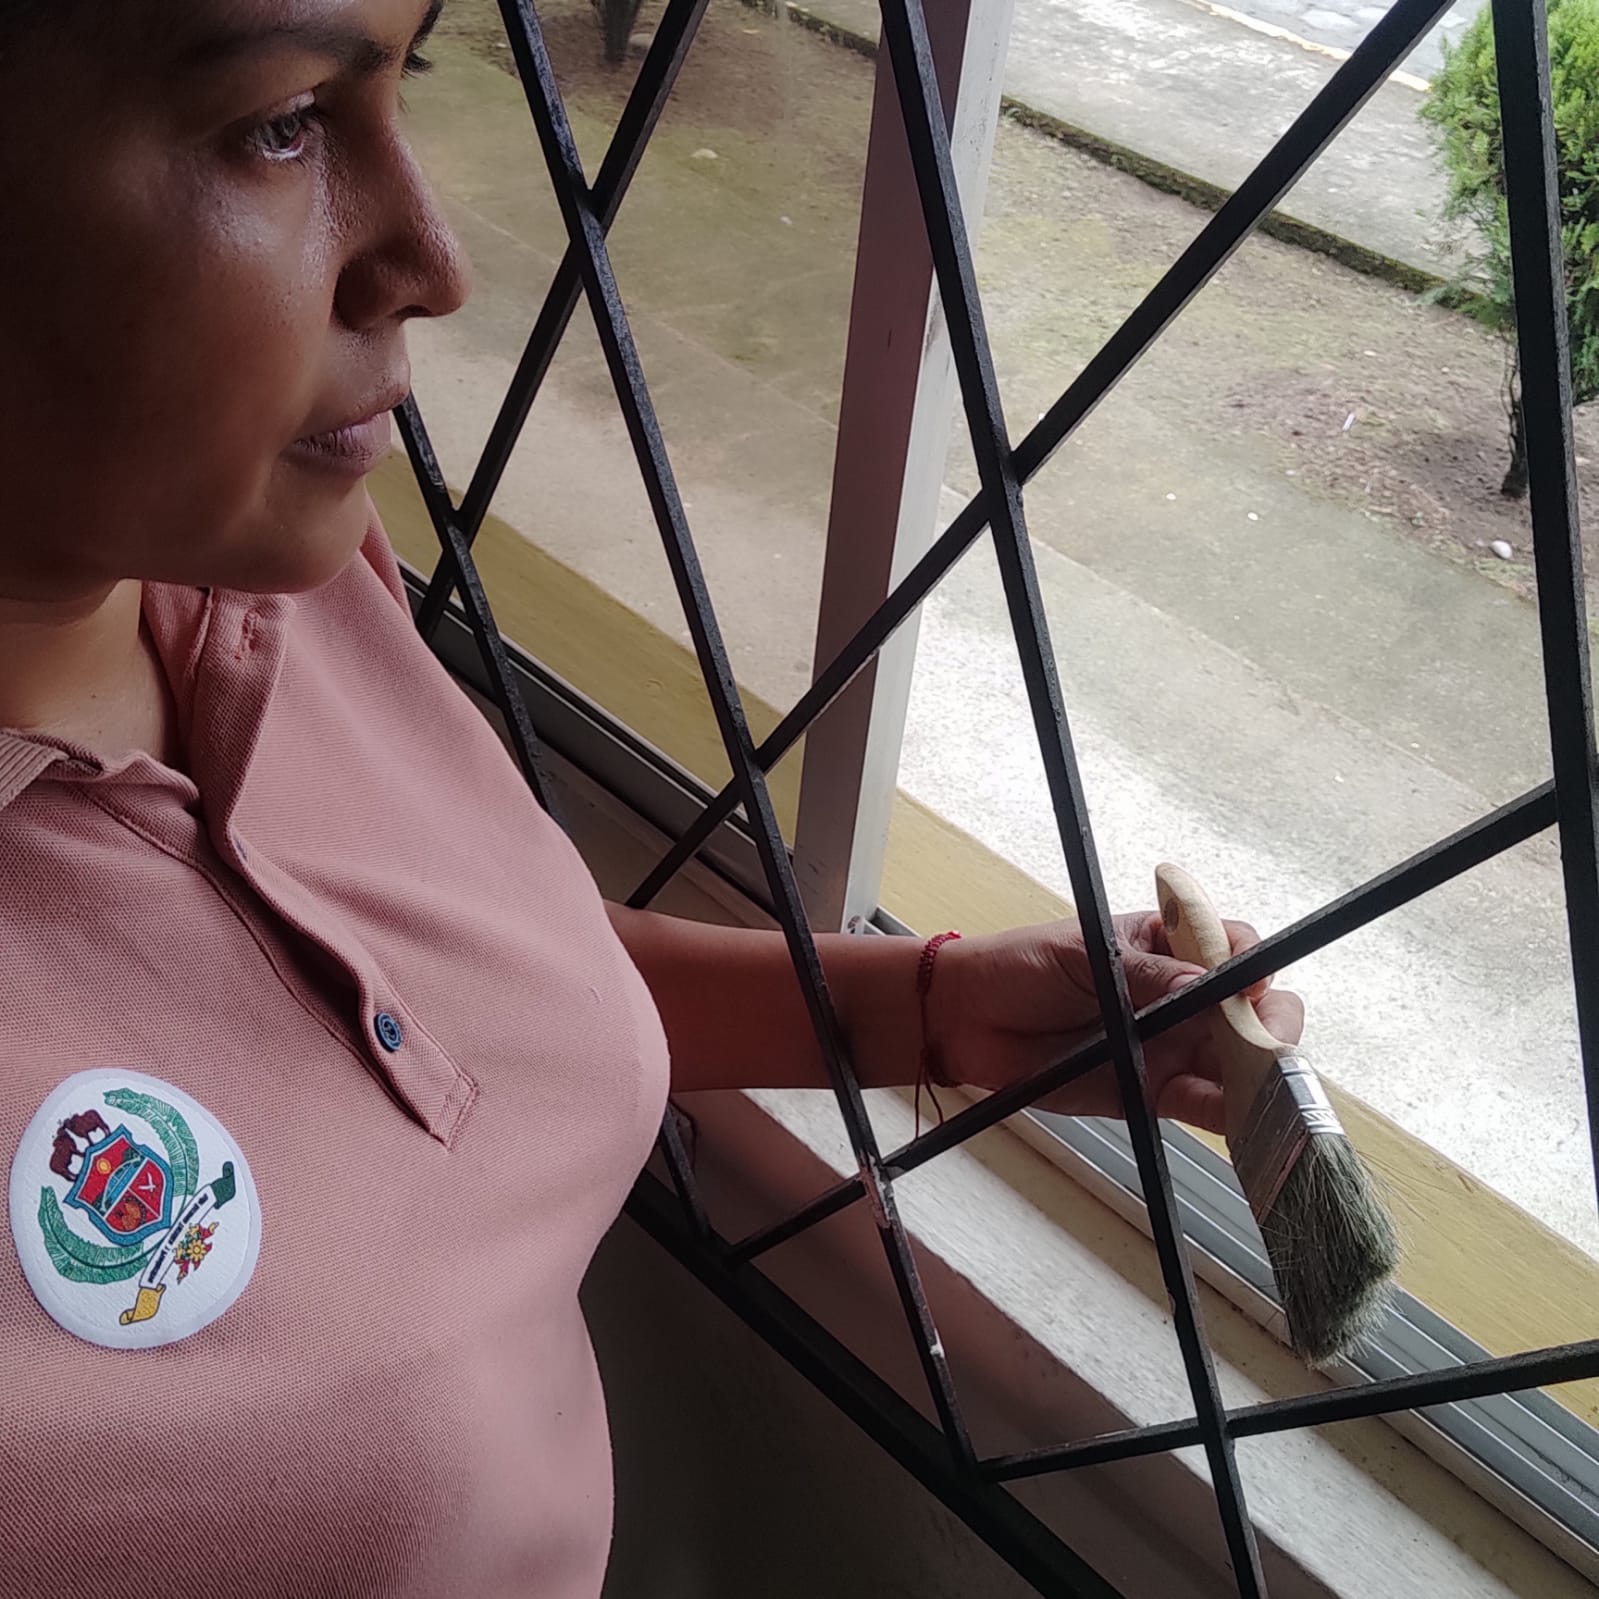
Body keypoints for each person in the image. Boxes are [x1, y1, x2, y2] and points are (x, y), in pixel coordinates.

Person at [0, 3, 1303, 1595]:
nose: (437, 257)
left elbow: (446, 982)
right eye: (282, 125)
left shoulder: (289, 568)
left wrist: (932, 1011)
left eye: (415, 75)